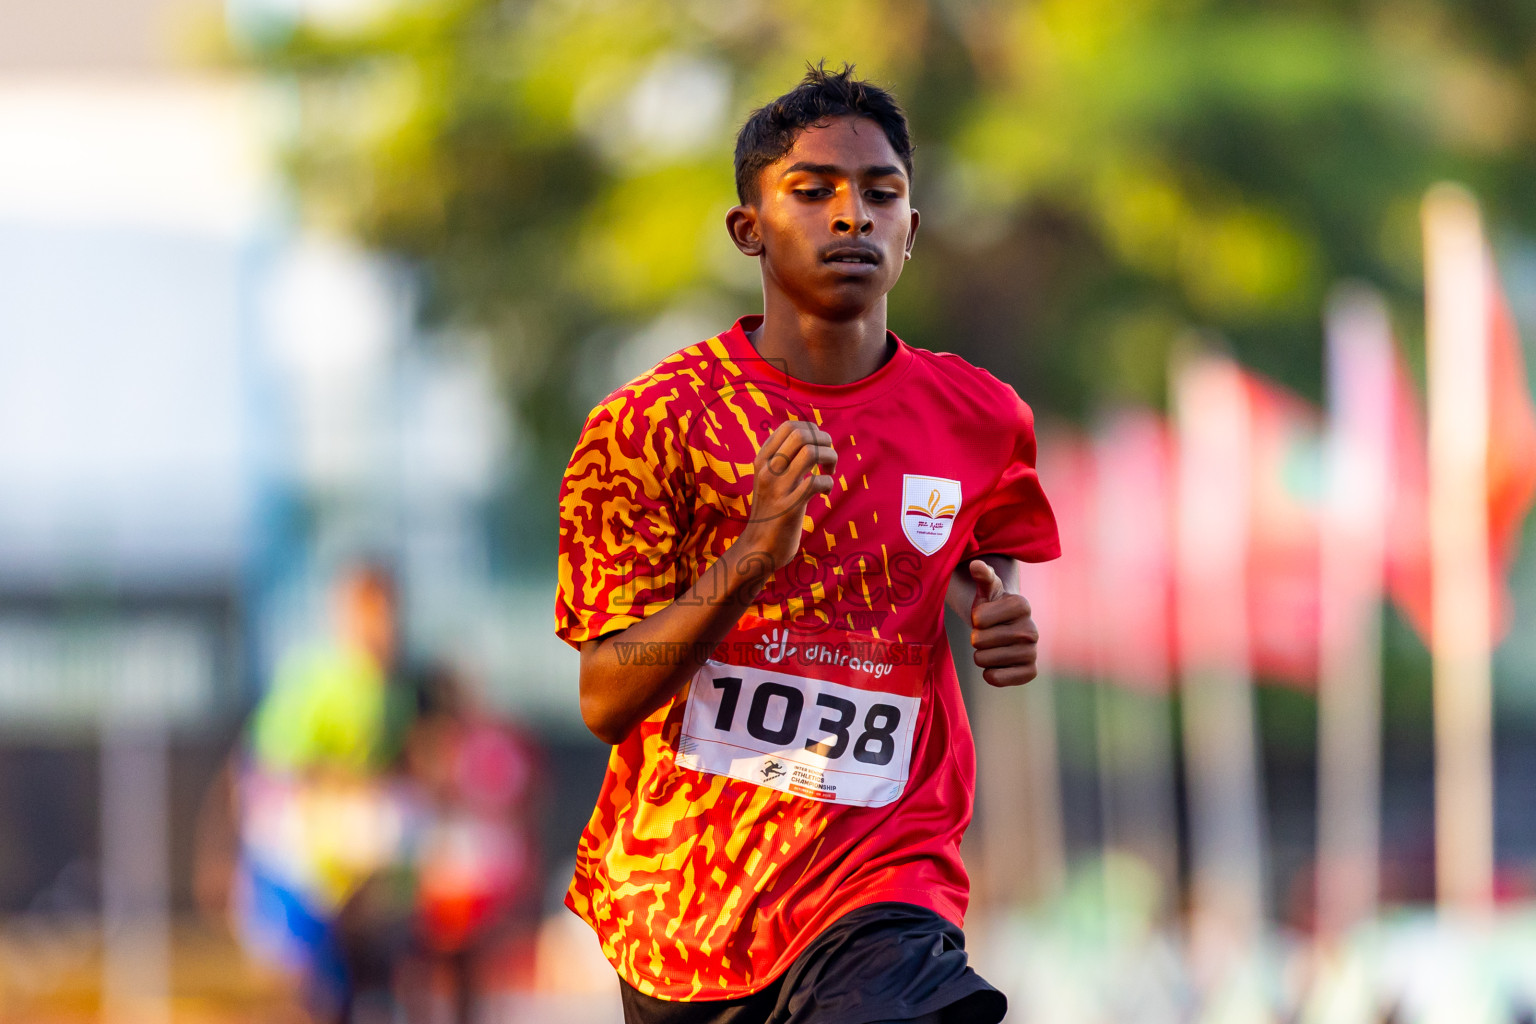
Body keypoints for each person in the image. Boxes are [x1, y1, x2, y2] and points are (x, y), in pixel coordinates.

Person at [554, 63, 1059, 1024]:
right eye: (813, 191)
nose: (852, 217)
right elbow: (606, 695)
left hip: (885, 869)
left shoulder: (982, 418)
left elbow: (974, 554)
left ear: (912, 228)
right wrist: (749, 558)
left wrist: (995, 612)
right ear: (750, 229)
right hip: (686, 903)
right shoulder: (649, 427)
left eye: (882, 194)